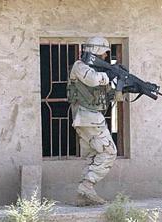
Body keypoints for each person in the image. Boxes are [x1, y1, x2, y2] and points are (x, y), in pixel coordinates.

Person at [67, 36, 117, 206]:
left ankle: (83, 196)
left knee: (93, 155)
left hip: (91, 117)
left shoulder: (95, 69)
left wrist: (124, 85)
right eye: (103, 53)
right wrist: (111, 74)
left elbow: (110, 93)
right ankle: (87, 186)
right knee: (109, 152)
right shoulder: (80, 66)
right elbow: (94, 79)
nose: (104, 57)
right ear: (95, 51)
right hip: (88, 117)